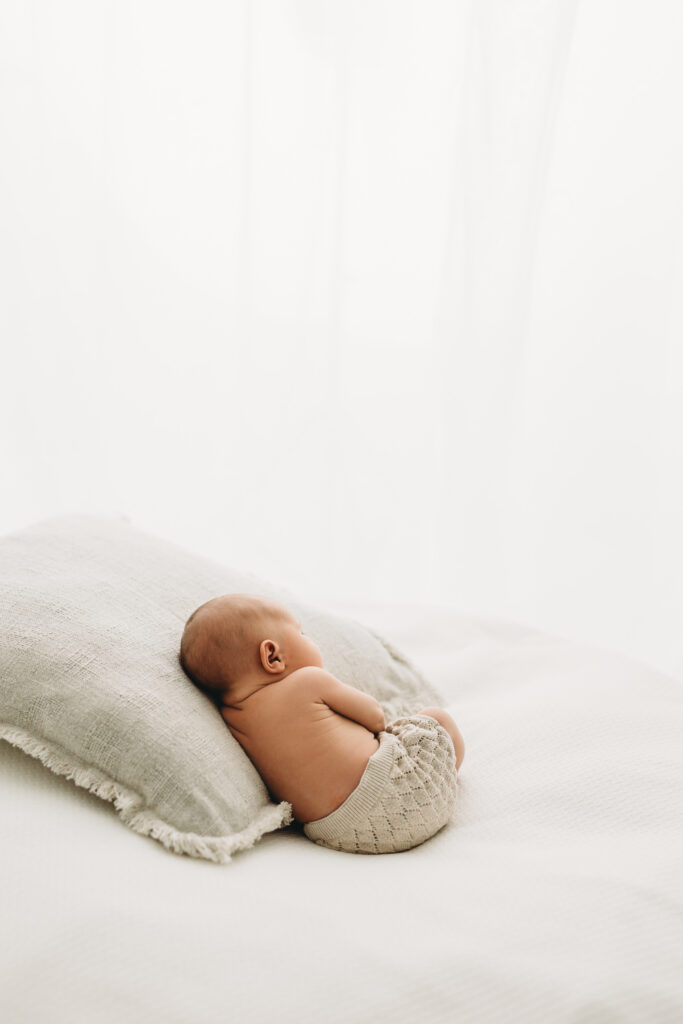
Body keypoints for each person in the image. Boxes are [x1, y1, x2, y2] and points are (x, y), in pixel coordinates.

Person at [179, 593, 465, 854]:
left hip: (344, 836)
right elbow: (375, 717)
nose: (310, 640)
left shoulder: (234, 722)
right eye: (301, 634)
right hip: (401, 792)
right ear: (273, 656)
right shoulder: (307, 680)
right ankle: (450, 773)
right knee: (436, 719)